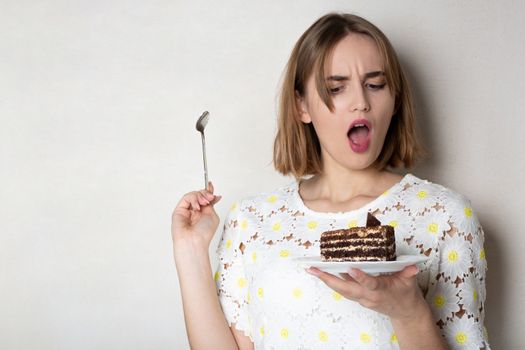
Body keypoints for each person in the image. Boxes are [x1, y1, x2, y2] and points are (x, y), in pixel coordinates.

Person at [172, 12, 490, 350]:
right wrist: (190, 251)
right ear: (301, 106)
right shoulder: (250, 220)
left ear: (395, 99)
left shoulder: (445, 216)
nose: (361, 103)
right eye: (336, 88)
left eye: (376, 84)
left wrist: (410, 312)